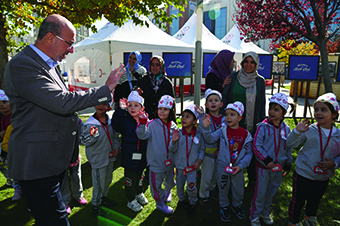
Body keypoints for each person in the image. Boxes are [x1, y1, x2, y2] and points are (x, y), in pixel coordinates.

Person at [4, 14, 125, 226]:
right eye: (69, 43)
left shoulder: (47, 64)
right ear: (50, 38)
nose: (71, 50)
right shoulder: (22, 65)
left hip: (52, 161)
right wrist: (105, 90)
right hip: (37, 163)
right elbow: (61, 102)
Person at [287, 93, 340, 226]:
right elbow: (290, 144)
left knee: (315, 199)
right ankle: (293, 222)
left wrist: (335, 164)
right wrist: (297, 131)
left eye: (323, 110)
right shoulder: (309, 129)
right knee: (298, 199)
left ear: (334, 114)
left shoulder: (338, 135)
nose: (318, 113)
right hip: (304, 172)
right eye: (316, 109)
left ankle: (309, 217)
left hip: (323, 176)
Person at [201, 101, 253, 223]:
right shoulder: (222, 131)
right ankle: (224, 206)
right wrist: (207, 127)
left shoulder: (246, 134)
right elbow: (210, 139)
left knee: (238, 189)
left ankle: (237, 205)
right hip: (223, 167)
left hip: (238, 169)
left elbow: (249, 153)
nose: (228, 117)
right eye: (227, 114)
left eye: (232, 114)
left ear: (240, 117)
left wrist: (241, 166)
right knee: (223, 187)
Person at [221, 51, 266, 187]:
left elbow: (261, 104)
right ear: (242, 62)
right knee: (232, 149)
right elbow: (225, 96)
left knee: (251, 149)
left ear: (256, 64)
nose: (248, 65)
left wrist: (262, 124)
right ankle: (228, 177)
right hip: (233, 123)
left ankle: (252, 178)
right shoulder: (234, 77)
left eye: (252, 62)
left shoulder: (260, 81)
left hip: (251, 122)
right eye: (246, 61)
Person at [249, 93, 293, 226]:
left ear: (284, 112)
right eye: (271, 108)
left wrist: (288, 163)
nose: (272, 112)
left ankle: (265, 212)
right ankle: (255, 215)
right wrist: (267, 160)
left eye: (276, 109)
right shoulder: (262, 127)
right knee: (261, 192)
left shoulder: (286, 129)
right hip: (263, 167)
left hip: (278, 168)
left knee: (272, 190)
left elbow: (288, 147)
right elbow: (256, 146)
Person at [136, 95, 177, 214]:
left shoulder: (173, 125)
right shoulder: (152, 124)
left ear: (170, 111)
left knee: (170, 181)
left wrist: (174, 141)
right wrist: (142, 123)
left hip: (170, 163)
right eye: (160, 109)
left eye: (165, 109)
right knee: (156, 185)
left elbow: (172, 147)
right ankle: (160, 203)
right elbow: (142, 135)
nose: (162, 111)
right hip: (156, 163)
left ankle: (167, 192)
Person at [80, 100, 120, 216]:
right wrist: (91, 136)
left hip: (110, 157)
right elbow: (83, 141)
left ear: (109, 106)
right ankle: (96, 206)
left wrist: (116, 147)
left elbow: (115, 136)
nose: (100, 106)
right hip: (98, 159)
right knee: (98, 184)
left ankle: (104, 198)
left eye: (104, 104)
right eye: (98, 103)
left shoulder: (111, 121)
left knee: (107, 181)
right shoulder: (90, 124)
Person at [111, 91, 148, 212]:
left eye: (136, 105)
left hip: (142, 156)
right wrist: (120, 110)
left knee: (140, 177)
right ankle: (131, 200)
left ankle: (139, 193)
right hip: (129, 156)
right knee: (130, 179)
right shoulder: (125, 119)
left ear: (142, 108)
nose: (132, 108)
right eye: (130, 105)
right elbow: (115, 125)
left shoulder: (145, 120)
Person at [170, 104, 205, 216]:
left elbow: (202, 149)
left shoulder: (199, 135)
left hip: (192, 168)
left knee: (191, 187)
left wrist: (199, 161)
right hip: (180, 167)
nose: (183, 118)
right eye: (183, 116)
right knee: (179, 186)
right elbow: (172, 149)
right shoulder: (178, 133)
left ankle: (193, 203)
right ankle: (181, 200)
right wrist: (173, 141)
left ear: (195, 121)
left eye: (188, 116)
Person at [198, 89, 225, 213]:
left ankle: (212, 190)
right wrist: (204, 121)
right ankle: (203, 196)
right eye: (210, 100)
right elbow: (207, 138)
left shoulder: (225, 119)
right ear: (206, 105)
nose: (213, 103)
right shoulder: (204, 119)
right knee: (206, 177)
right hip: (208, 155)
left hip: (220, 155)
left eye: (216, 100)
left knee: (215, 176)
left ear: (221, 104)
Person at [60, 118, 87, 215]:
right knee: (63, 179)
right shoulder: (55, 121)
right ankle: (65, 201)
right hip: (60, 156)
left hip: (75, 154)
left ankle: (78, 195)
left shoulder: (77, 121)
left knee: (76, 175)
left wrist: (88, 135)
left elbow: (81, 138)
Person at [1, 124, 23, 201]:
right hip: (16, 158)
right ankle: (18, 189)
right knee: (15, 174)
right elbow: (4, 145)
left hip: (31, 159)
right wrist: (15, 150)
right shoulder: (11, 127)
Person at [0, 89, 12, 186]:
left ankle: (16, 183)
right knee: (3, 164)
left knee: (13, 164)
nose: (1, 105)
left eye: (4, 102)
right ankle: (9, 180)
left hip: (13, 144)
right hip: (2, 145)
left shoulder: (16, 115)